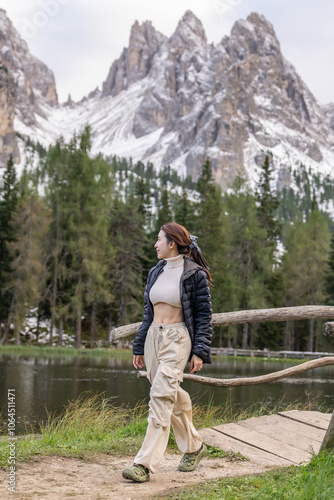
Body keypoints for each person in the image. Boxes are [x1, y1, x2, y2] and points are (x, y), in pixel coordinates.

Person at [122, 222, 213, 483]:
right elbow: (147, 313)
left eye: (159, 240)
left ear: (172, 243)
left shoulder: (195, 274)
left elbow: (205, 316)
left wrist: (199, 351)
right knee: (169, 391)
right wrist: (139, 345)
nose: (155, 244)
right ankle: (195, 446)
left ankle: (144, 464)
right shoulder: (156, 271)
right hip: (153, 337)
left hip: (177, 338)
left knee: (161, 395)